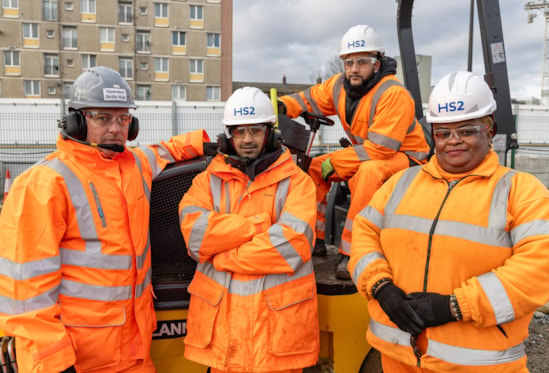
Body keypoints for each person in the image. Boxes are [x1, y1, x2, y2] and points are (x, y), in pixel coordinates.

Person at [0, 66, 216, 373]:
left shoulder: (135, 165)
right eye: (103, 118)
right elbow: (25, 293)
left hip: (135, 354)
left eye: (123, 118)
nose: (116, 128)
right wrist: (53, 363)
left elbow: (167, 150)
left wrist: (213, 142)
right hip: (80, 360)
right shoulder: (44, 184)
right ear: (76, 121)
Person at [348, 70, 549, 372]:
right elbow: (364, 234)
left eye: (467, 131)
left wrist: (456, 306)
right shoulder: (400, 184)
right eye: (443, 133)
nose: (453, 142)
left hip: (478, 366)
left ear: (489, 130)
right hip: (397, 358)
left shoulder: (520, 191)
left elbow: (538, 268)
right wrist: (380, 286)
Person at [179, 86, 319, 373]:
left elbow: (291, 247)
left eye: (254, 130)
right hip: (224, 342)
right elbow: (196, 236)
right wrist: (257, 225)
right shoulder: (206, 182)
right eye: (238, 132)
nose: (246, 140)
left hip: (276, 340)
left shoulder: (298, 183)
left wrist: (222, 257)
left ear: (270, 133)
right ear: (228, 135)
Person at [278, 24, 431, 280]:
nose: (354, 69)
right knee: (312, 168)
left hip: (408, 159)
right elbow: (308, 99)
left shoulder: (393, 93)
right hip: (366, 153)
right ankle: (314, 239)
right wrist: (280, 107)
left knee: (367, 174)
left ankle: (353, 251)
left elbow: (382, 149)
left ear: (377, 64)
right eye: (349, 63)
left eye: (362, 62)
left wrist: (336, 162)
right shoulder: (339, 86)